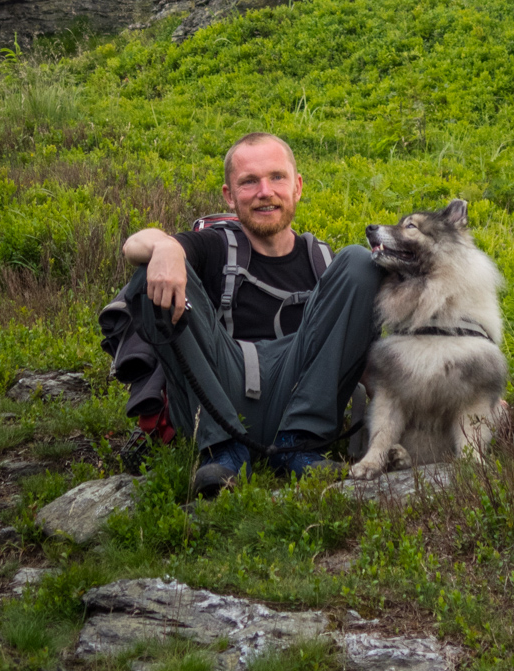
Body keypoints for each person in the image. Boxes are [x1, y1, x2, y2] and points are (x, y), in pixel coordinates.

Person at [121, 131, 379, 498]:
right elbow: (134, 244)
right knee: (149, 273)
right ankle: (223, 451)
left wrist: (460, 405)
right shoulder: (215, 245)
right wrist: (165, 247)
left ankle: (299, 447)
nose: (265, 192)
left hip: (299, 396)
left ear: (297, 187)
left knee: (359, 260)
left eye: (277, 177)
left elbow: (368, 362)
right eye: (249, 182)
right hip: (220, 394)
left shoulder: (323, 263)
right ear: (229, 195)